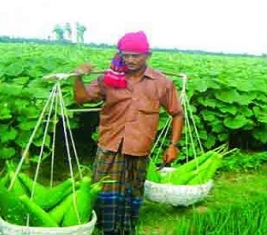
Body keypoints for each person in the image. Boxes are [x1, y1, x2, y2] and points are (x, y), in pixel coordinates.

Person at [73, 31, 184, 235]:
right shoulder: (109, 79)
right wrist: (78, 76)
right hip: (110, 143)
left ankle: (126, 226)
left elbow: (177, 114)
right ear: (120, 54)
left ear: (147, 55)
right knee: (103, 188)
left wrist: (173, 145)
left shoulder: (161, 83)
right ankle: (102, 226)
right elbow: (81, 98)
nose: (130, 60)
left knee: (132, 188)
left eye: (136, 55)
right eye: (126, 55)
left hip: (139, 146)